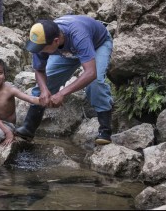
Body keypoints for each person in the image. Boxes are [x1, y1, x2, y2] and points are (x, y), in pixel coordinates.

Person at [17, 15, 114, 145]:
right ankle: (28, 129)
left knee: (95, 84)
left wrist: (62, 93)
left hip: (98, 44)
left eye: (41, 48)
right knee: (45, 84)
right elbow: (39, 70)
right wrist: (45, 90)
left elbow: (90, 73)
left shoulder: (79, 35)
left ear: (56, 41)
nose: (39, 51)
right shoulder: (42, 40)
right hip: (68, 52)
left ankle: (105, 131)